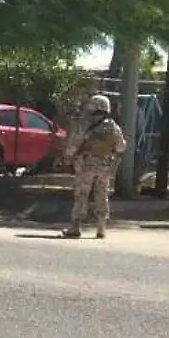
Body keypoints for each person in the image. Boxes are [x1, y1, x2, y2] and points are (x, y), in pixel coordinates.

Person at [60, 95, 126, 239]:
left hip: (86, 165)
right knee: (102, 195)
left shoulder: (85, 124)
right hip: (105, 166)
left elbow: (74, 144)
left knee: (81, 194)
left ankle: (75, 227)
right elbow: (121, 147)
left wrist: (68, 157)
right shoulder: (114, 127)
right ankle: (101, 228)